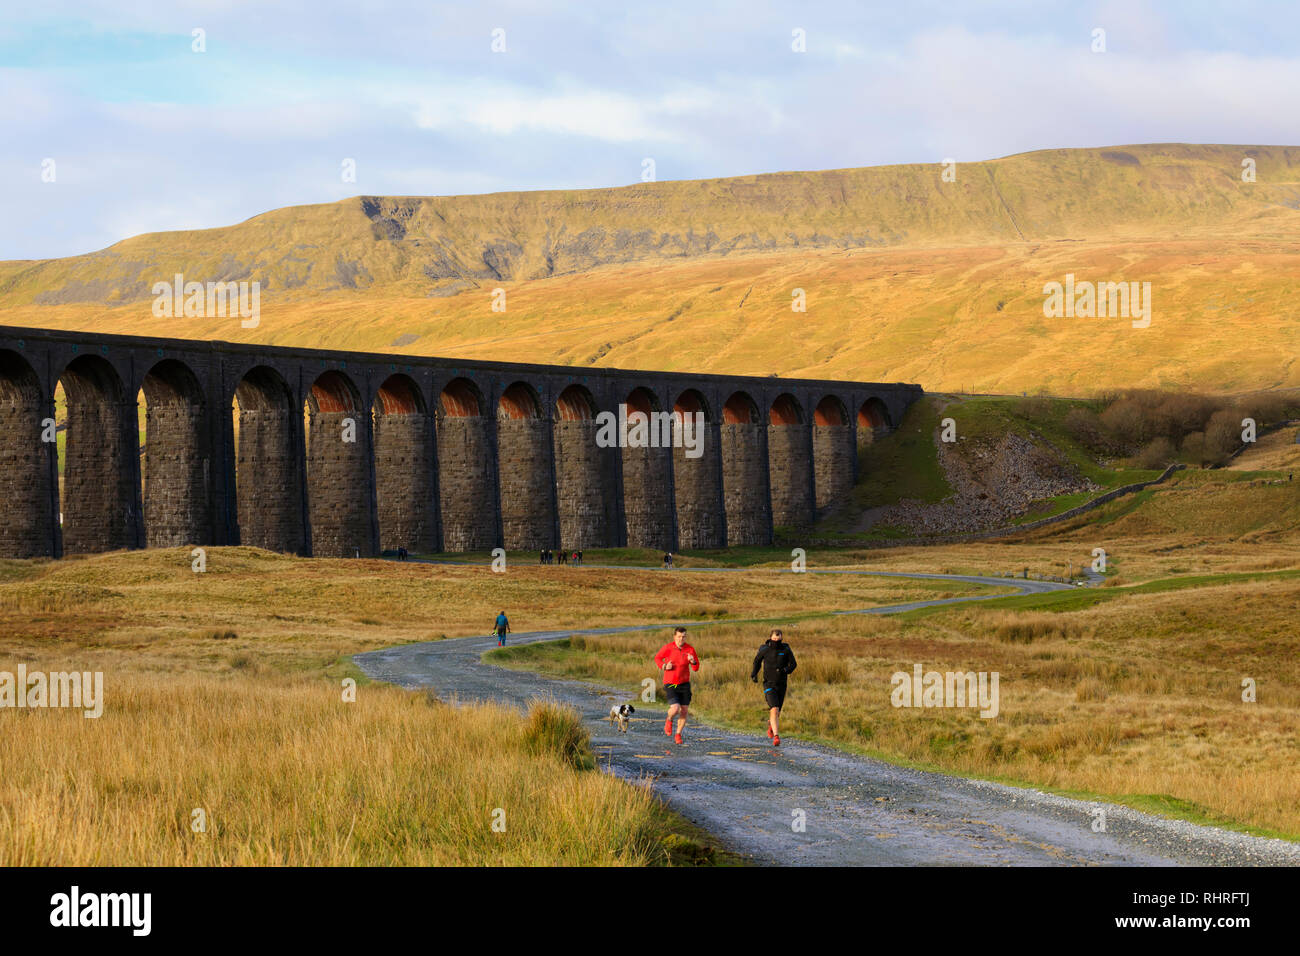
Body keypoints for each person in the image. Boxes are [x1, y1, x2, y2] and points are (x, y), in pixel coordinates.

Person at [751, 627, 797, 746]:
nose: (776, 641)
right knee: (774, 708)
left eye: (779, 639)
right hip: (768, 683)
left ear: (781, 638)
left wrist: (786, 670)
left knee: (777, 712)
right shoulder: (764, 649)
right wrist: (754, 674)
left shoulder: (786, 649)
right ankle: (776, 737)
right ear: (771, 638)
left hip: (782, 684)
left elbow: (793, 664)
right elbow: (757, 662)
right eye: (775, 639)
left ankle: (771, 725)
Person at [653, 626, 699, 745]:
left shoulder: (690, 649)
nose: (681, 639)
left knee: (684, 711)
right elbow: (657, 658)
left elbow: (696, 668)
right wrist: (664, 666)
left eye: (683, 637)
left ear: (686, 637)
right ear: (675, 637)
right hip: (671, 684)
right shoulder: (668, 647)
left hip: (684, 684)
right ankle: (669, 720)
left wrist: (693, 661)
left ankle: (678, 734)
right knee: (675, 708)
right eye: (679, 636)